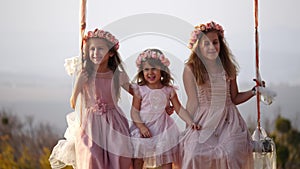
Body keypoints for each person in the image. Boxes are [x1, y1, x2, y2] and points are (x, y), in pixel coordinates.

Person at [181, 21, 261, 169]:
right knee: (194, 153)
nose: (212, 47)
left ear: (221, 44)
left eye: (215, 42)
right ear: (198, 47)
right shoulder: (191, 69)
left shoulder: (227, 67)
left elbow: (235, 98)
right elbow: (192, 102)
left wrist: (254, 91)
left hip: (228, 121)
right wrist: (188, 127)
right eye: (206, 44)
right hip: (204, 120)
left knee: (230, 153)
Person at [49, 28, 133, 169]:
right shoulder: (85, 75)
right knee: (91, 157)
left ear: (111, 53)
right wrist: (78, 84)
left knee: (118, 156)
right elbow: (73, 103)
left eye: (101, 49)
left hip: (114, 123)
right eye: (92, 49)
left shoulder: (116, 76)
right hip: (90, 124)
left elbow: (137, 94)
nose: (95, 53)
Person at [129, 48, 200, 169]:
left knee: (166, 158)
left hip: (163, 129)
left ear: (162, 70)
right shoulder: (140, 90)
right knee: (138, 158)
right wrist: (141, 127)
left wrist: (190, 121)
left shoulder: (168, 90)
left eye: (154, 69)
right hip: (144, 127)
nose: (150, 73)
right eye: (146, 69)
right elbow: (134, 112)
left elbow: (179, 109)